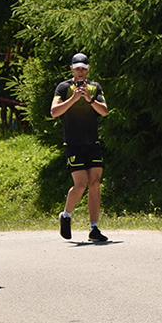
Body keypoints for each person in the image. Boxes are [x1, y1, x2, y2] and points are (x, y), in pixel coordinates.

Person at [50, 53, 109, 242]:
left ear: (88, 69)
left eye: (84, 68)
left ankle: (94, 228)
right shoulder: (64, 87)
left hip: (92, 142)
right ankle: (66, 215)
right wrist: (74, 99)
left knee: (95, 183)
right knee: (81, 184)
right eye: (77, 69)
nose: (81, 72)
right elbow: (54, 112)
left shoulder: (94, 87)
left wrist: (90, 99)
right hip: (73, 143)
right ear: (72, 69)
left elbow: (104, 111)